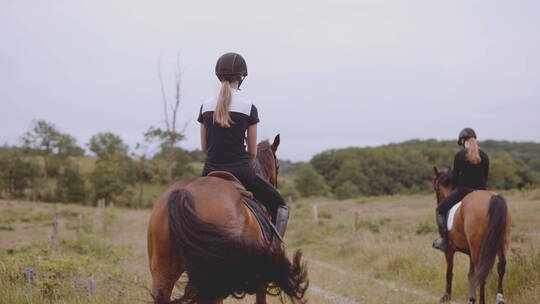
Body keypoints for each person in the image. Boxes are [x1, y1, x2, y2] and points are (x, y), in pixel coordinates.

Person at [198, 52, 289, 237]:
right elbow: (253, 153)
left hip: (210, 171)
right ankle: (275, 248)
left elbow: (204, 148)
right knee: (281, 205)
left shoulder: (205, 106)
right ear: (241, 76)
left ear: (218, 76)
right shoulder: (248, 107)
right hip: (242, 171)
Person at [433, 128, 490, 252]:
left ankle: (444, 241)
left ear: (463, 140)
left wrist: (454, 191)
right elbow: (486, 177)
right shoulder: (485, 156)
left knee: (440, 209)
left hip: (463, 190)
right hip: (482, 192)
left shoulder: (459, 155)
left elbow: (455, 178)